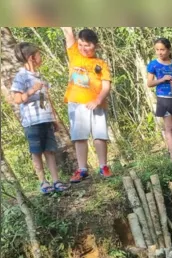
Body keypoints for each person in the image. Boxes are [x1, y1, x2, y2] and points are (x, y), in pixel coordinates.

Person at [10, 42, 68, 194]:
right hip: (31, 122)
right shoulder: (21, 76)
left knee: (50, 151)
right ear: (31, 58)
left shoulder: (40, 76)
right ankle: (43, 182)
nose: (41, 57)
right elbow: (17, 99)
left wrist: (53, 118)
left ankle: (56, 181)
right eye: (38, 54)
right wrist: (31, 90)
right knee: (36, 152)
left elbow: (45, 98)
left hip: (45, 119)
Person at [61, 27, 113, 181]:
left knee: (100, 135)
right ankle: (82, 169)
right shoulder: (74, 54)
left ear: (95, 46)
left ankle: (103, 166)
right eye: (81, 45)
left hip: (97, 104)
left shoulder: (101, 63)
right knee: (79, 137)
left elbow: (106, 85)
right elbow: (68, 33)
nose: (83, 49)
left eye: (87, 45)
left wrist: (97, 100)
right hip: (77, 102)